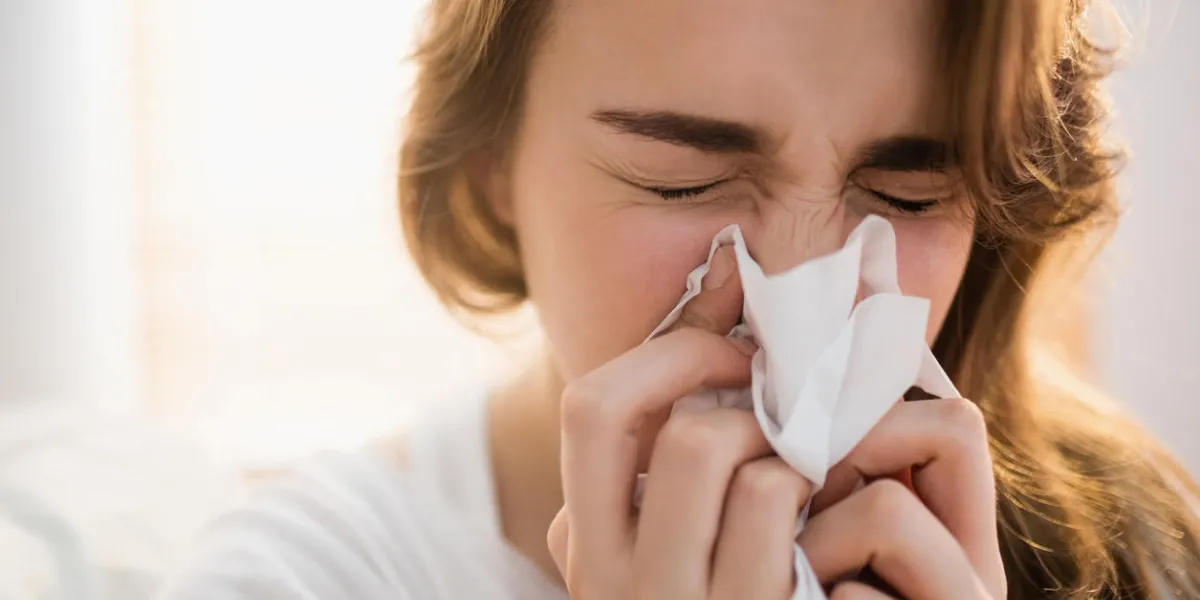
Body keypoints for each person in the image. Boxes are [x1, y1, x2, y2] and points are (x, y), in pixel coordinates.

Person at [160, 0, 1200, 598]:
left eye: (906, 193)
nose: (797, 292)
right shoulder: (313, 577)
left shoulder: (1134, 548)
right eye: (682, 183)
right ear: (489, 165)